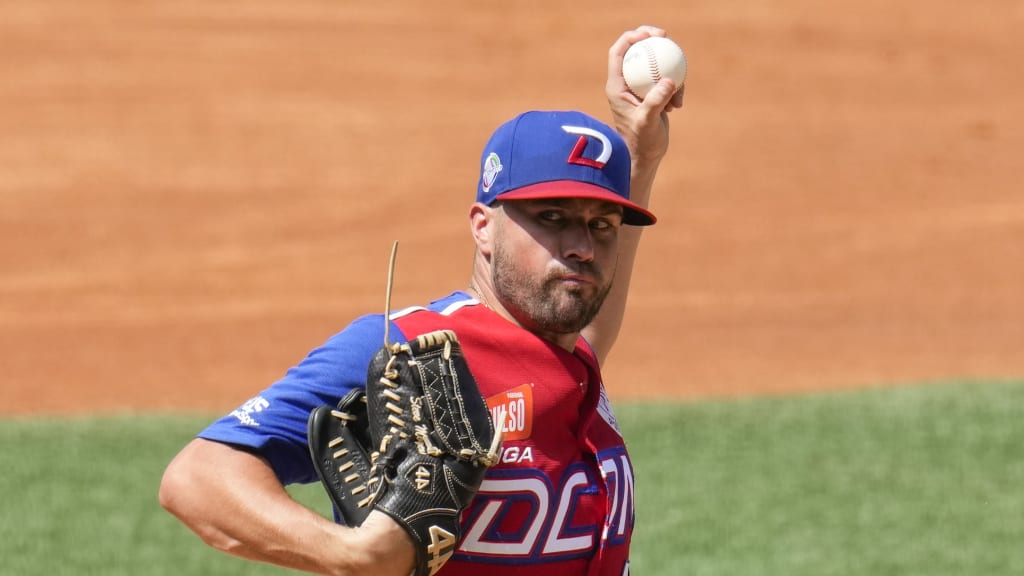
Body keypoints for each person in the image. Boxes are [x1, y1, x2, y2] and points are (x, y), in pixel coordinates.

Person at [159, 25, 685, 576]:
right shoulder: (410, 347)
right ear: (483, 227)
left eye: (601, 225)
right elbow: (198, 477)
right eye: (551, 219)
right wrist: (353, 555)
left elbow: (582, 316)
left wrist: (639, 159)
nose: (582, 248)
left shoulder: (569, 356)